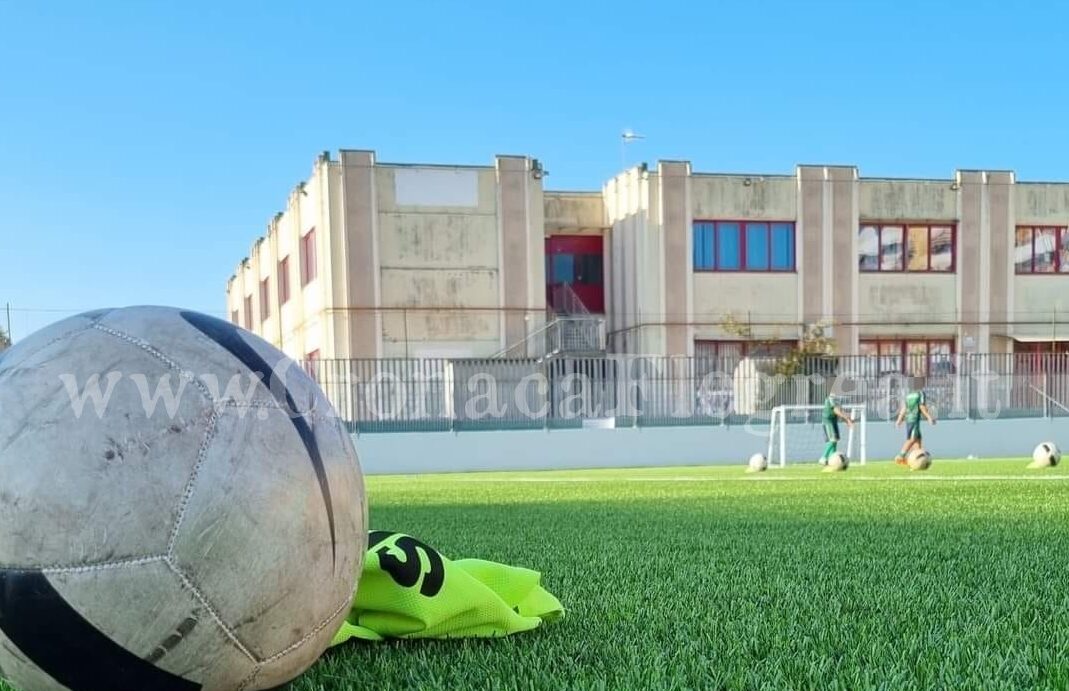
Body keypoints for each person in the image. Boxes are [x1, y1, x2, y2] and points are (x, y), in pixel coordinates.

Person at [895, 380, 936, 465]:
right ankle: (900, 456)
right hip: (914, 419)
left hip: (908, 419)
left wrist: (899, 420)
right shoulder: (920, 393)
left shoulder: (909, 395)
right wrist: (929, 418)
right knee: (912, 439)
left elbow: (904, 408)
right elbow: (922, 407)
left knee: (918, 439)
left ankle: (917, 460)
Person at [819, 391, 855, 465]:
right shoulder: (831, 398)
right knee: (833, 440)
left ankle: (832, 460)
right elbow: (836, 411)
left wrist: (847, 420)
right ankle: (823, 457)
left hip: (834, 421)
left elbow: (841, 411)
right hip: (828, 422)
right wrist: (847, 419)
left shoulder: (837, 399)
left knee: (835, 441)